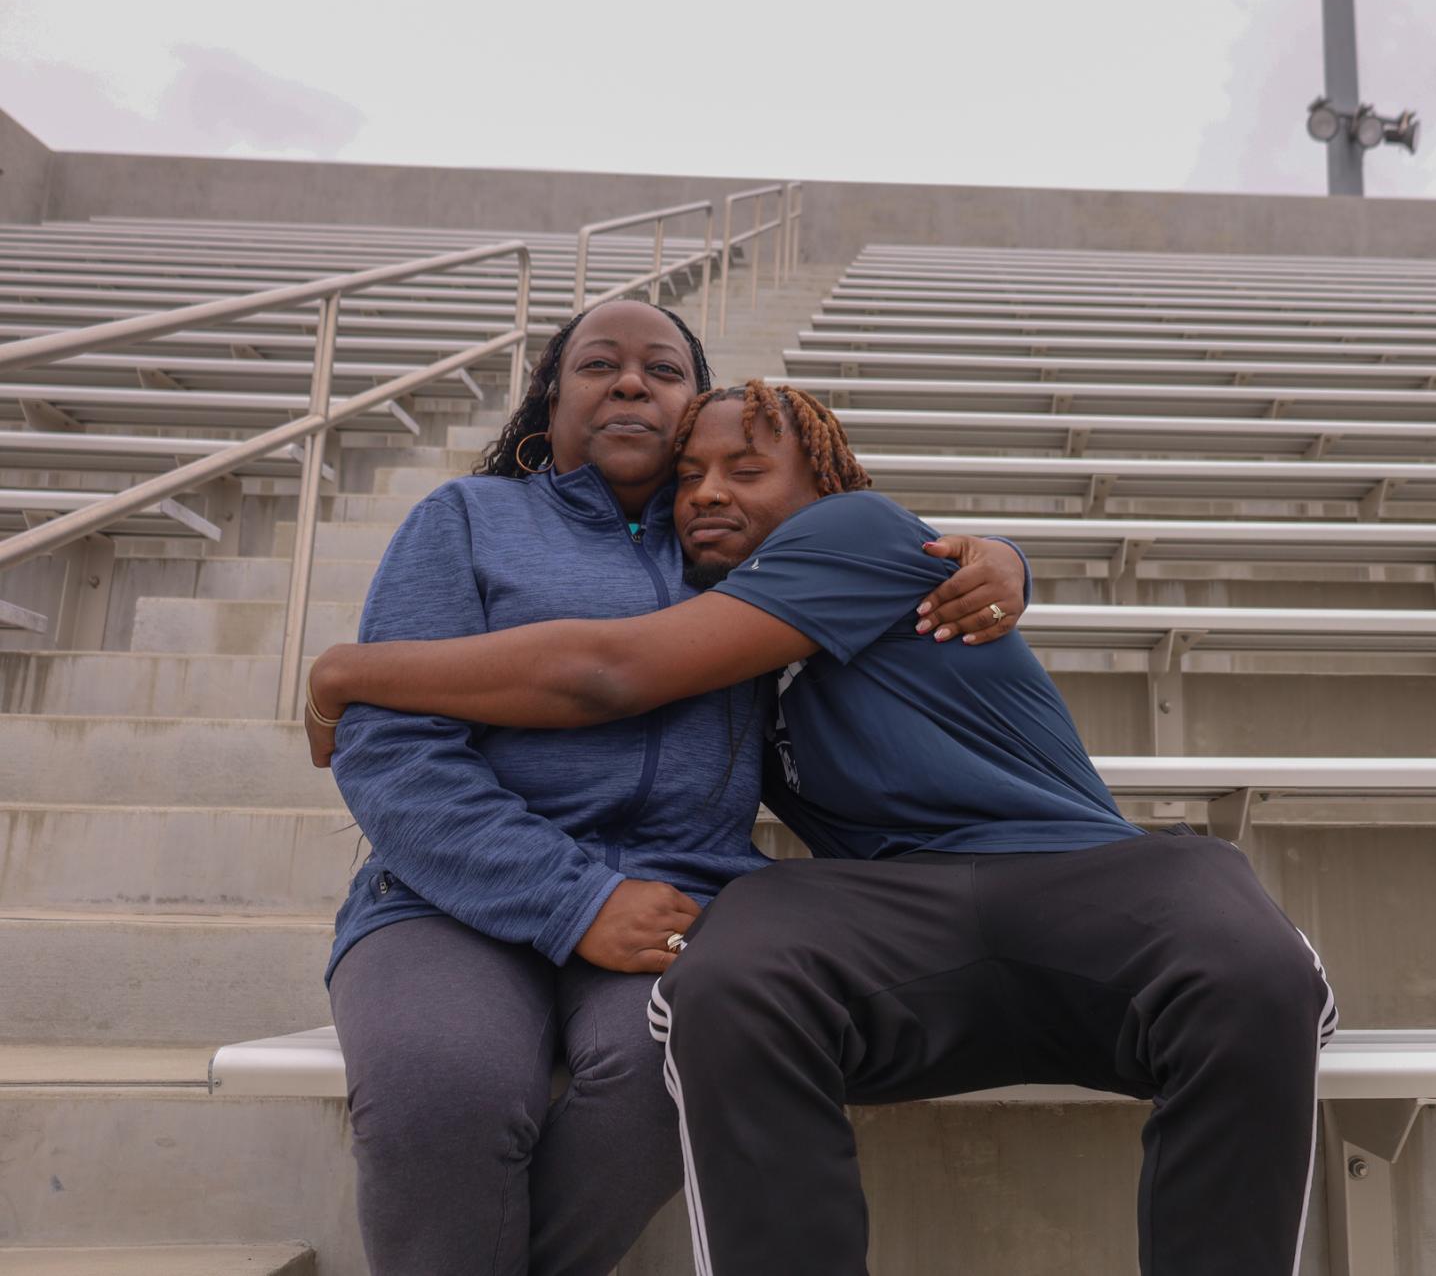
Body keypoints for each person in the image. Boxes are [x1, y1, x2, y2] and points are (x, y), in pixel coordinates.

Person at [307, 380, 1339, 1276]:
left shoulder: (851, 535)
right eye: (689, 475)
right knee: (726, 977)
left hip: (1084, 874)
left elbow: (606, 672)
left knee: (1248, 968)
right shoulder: (738, 641)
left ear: (821, 488)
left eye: (748, 469)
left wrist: (349, 669)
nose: (708, 491)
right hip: (885, 907)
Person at [321, 306, 1030, 1276]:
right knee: (444, 1085)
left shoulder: (741, 548)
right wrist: (572, 897)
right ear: (551, 396)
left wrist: (1001, 557)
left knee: (684, 1063)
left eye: (661, 368)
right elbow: (393, 747)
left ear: (692, 407)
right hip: (450, 895)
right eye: (597, 365)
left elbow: (886, 551)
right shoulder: (466, 518)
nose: (628, 383)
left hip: (682, 888)